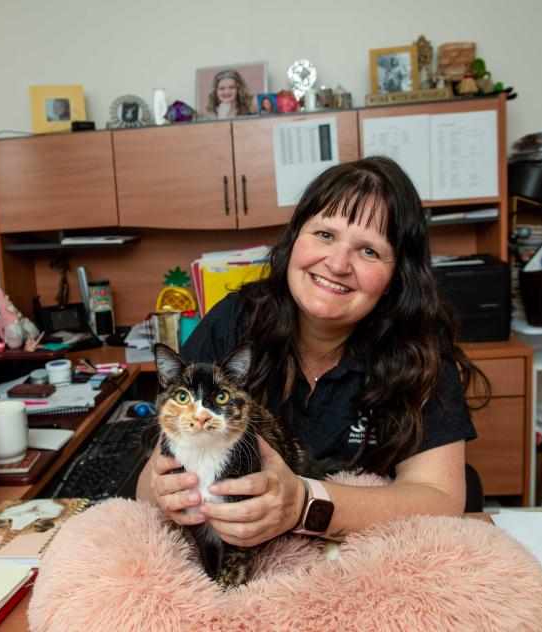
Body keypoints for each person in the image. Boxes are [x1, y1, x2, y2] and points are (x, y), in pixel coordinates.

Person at [136, 156, 489, 548]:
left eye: (369, 251)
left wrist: (303, 505)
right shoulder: (235, 321)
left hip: (362, 556)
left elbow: (441, 499)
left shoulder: (421, 350)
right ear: (294, 239)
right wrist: (165, 493)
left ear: (396, 277)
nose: (337, 264)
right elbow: (147, 484)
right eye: (324, 235)